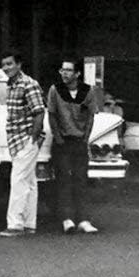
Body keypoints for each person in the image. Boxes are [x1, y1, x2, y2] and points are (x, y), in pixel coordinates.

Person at [48, 58, 100, 234]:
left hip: (79, 142)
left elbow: (91, 117)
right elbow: (52, 115)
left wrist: (85, 139)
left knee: (81, 180)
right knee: (63, 180)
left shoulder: (88, 91)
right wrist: (58, 138)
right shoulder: (55, 90)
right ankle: (66, 219)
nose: (64, 73)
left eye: (69, 70)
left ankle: (83, 220)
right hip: (62, 141)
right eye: (62, 69)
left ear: (77, 73)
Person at [0, 50, 45, 237]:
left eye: (10, 64)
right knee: (29, 182)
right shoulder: (11, 85)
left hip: (25, 138)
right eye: (4, 65)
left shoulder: (28, 84)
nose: (6, 68)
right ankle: (29, 223)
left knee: (18, 180)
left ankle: (15, 224)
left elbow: (39, 112)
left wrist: (32, 137)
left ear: (19, 64)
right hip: (16, 139)